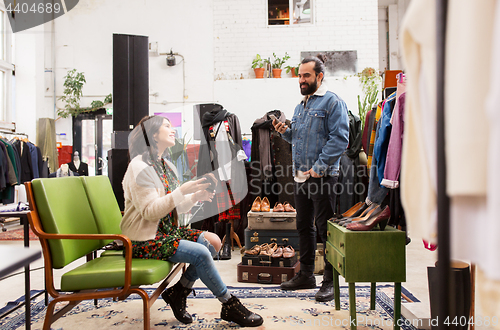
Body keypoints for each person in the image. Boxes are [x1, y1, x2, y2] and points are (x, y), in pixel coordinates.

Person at [120, 115, 263, 327]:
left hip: (166, 233)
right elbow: (150, 212)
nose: (173, 129)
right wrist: (181, 191)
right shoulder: (138, 166)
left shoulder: (166, 165)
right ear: (152, 135)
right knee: (202, 252)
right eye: (166, 126)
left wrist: (194, 197)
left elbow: (176, 207)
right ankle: (229, 304)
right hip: (144, 239)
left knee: (214, 241)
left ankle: (179, 291)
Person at [273, 55, 349, 302]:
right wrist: (286, 132)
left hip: (323, 176)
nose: (301, 80)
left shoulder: (333, 102)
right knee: (303, 226)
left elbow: (339, 139)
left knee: (326, 228)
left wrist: (318, 167)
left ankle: (329, 280)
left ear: (319, 76)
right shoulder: (300, 106)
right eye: (299, 75)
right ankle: (306, 274)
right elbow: (298, 138)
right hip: (301, 177)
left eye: (306, 75)